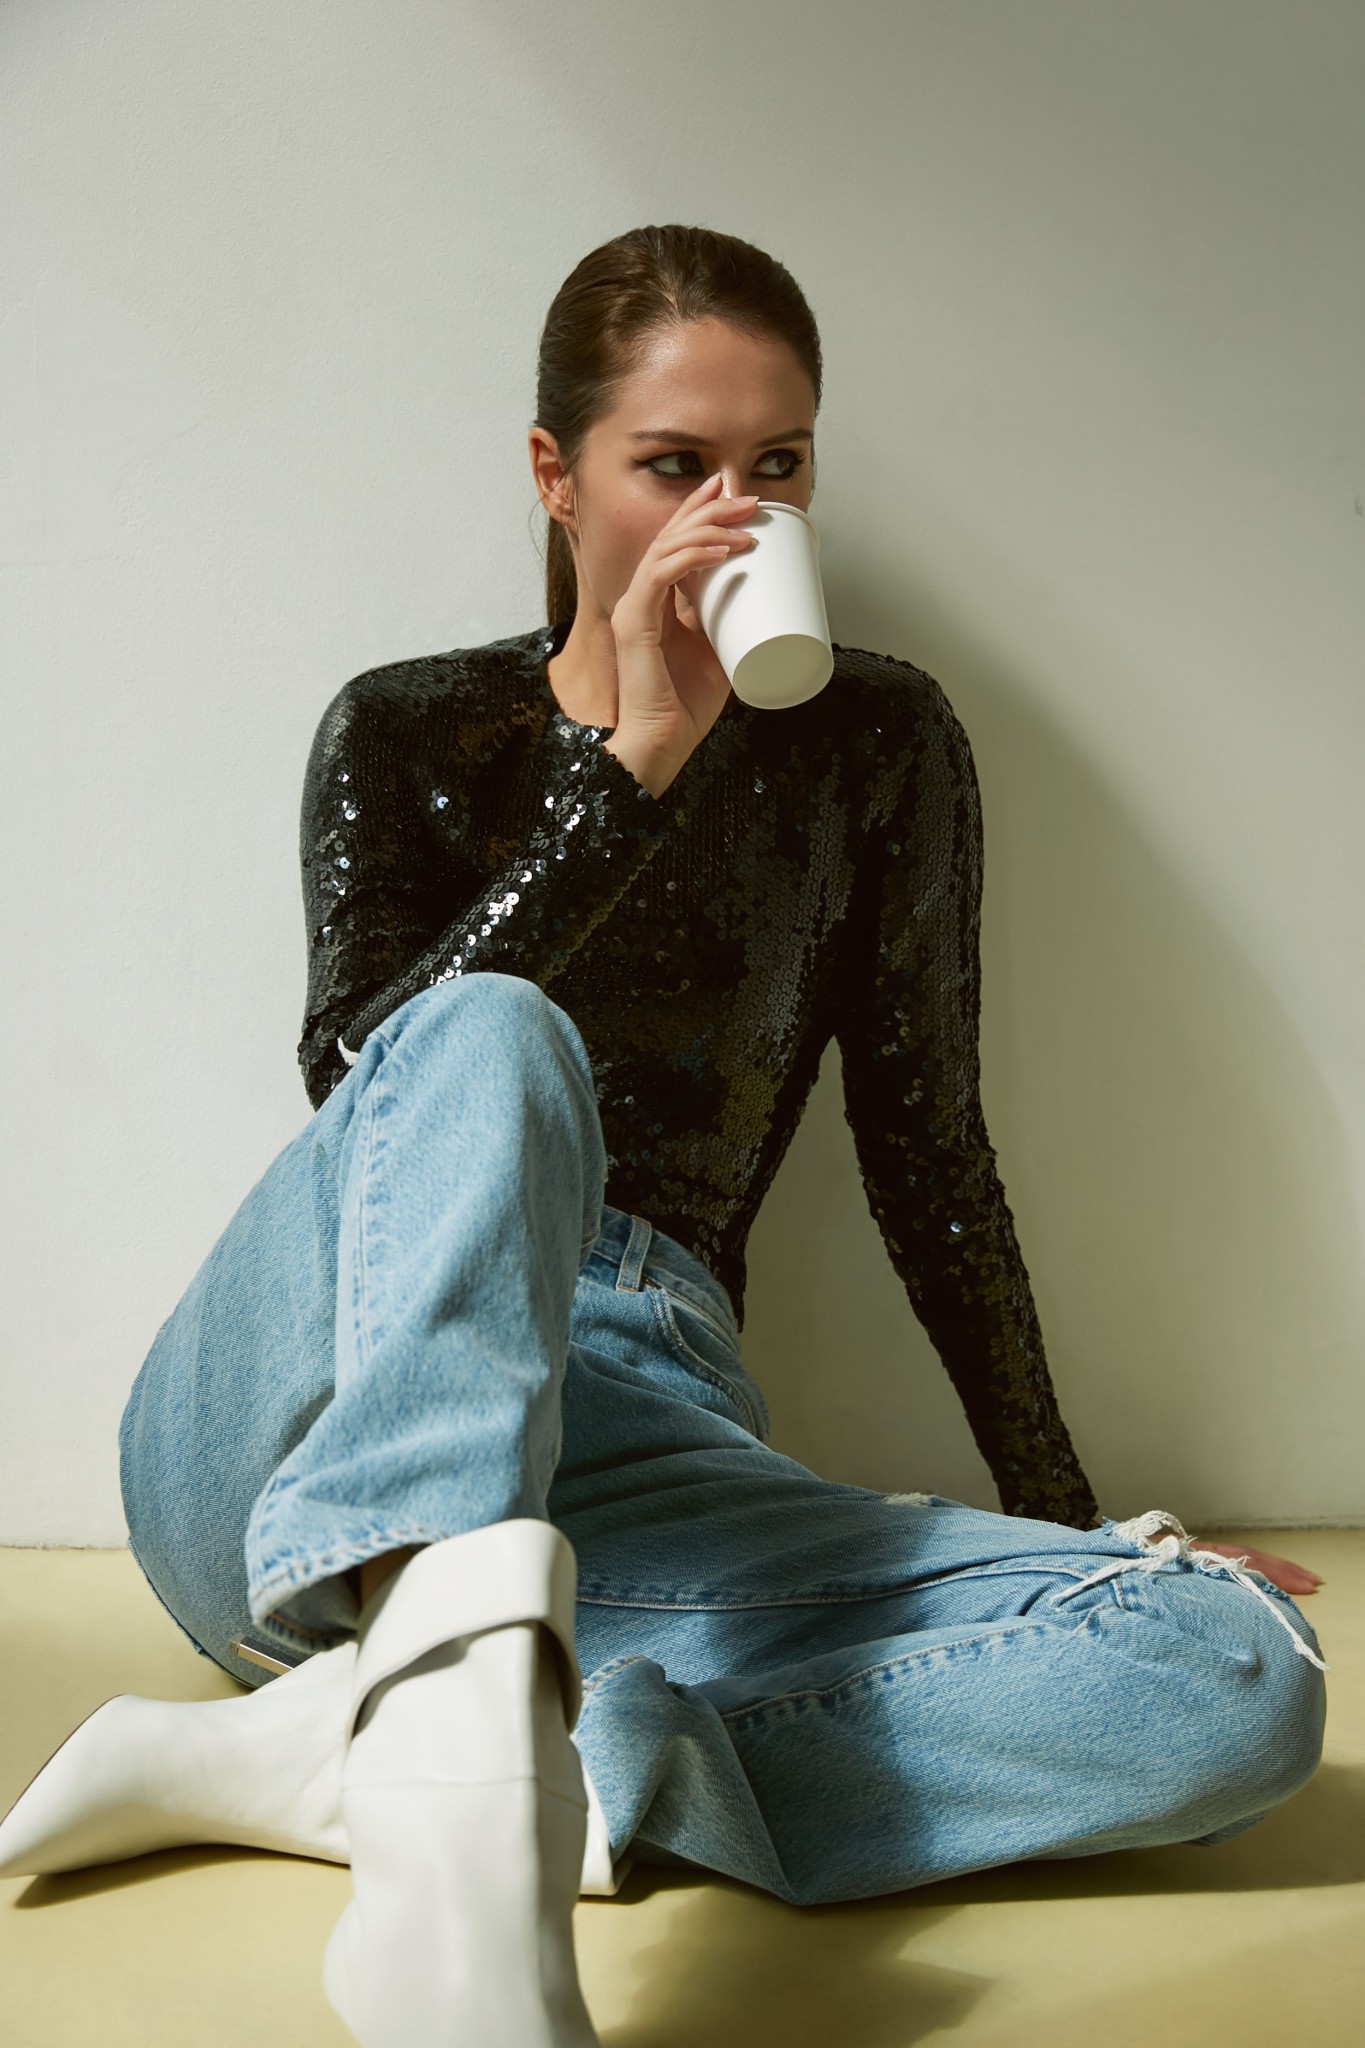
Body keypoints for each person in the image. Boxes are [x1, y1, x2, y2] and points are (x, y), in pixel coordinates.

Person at [0, 225, 1327, 2048]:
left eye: (775, 465)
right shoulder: (408, 729)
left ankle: (382, 1748)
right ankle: (430, 1694)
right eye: (673, 465)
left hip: (639, 1433)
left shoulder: (875, 743)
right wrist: (618, 775)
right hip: (309, 1429)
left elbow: (927, 1151)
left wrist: (1068, 1530)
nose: (732, 512)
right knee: (487, 1031)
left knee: (1227, 1669)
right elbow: (363, 1081)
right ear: (556, 478)